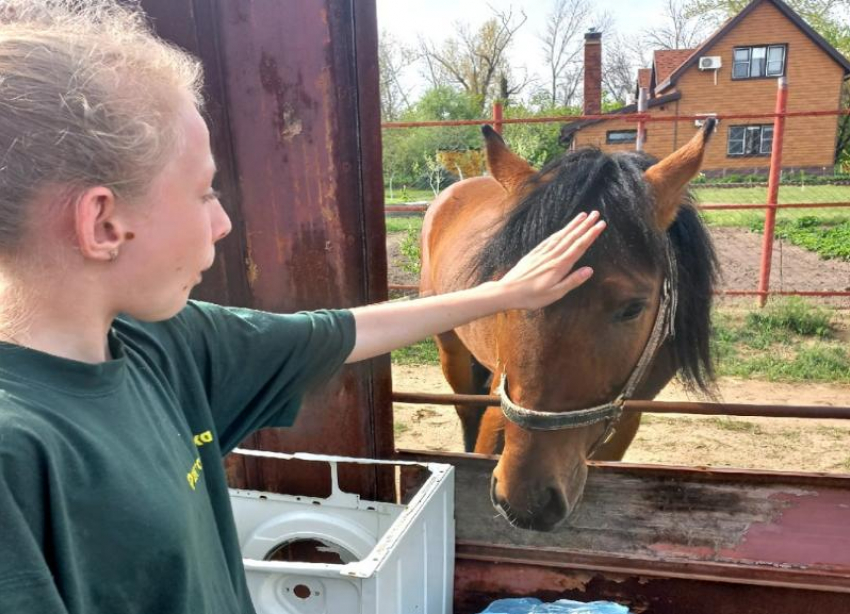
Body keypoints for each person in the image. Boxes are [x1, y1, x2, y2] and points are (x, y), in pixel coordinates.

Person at [0, 2, 606, 613]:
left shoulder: (158, 343)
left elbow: (329, 333)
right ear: (104, 223)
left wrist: (505, 294)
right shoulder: (18, 457)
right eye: (204, 191)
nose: (222, 222)